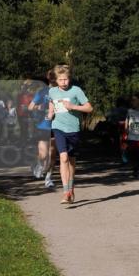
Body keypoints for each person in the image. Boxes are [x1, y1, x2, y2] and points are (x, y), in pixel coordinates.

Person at [47, 64, 93, 205]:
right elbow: (51, 105)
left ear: (69, 79)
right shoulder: (52, 92)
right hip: (58, 128)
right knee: (63, 157)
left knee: (72, 161)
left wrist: (73, 106)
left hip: (74, 129)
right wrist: (50, 114)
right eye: (61, 80)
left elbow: (89, 108)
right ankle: (66, 191)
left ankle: (71, 188)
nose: (64, 82)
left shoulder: (76, 91)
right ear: (56, 80)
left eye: (66, 79)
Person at [29, 71, 57, 189]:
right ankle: (38, 164)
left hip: (56, 127)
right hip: (43, 126)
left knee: (52, 154)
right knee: (43, 155)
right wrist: (39, 107)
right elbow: (30, 107)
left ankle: (48, 178)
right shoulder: (42, 92)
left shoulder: (62, 93)